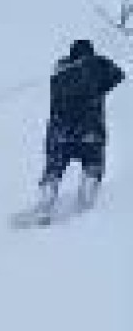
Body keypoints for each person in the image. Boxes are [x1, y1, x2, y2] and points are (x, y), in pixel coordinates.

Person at [35, 37, 124, 218]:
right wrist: (98, 62)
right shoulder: (97, 65)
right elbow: (118, 75)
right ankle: (85, 206)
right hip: (89, 131)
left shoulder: (59, 70)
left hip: (59, 132)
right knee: (93, 164)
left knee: (53, 168)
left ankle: (45, 201)